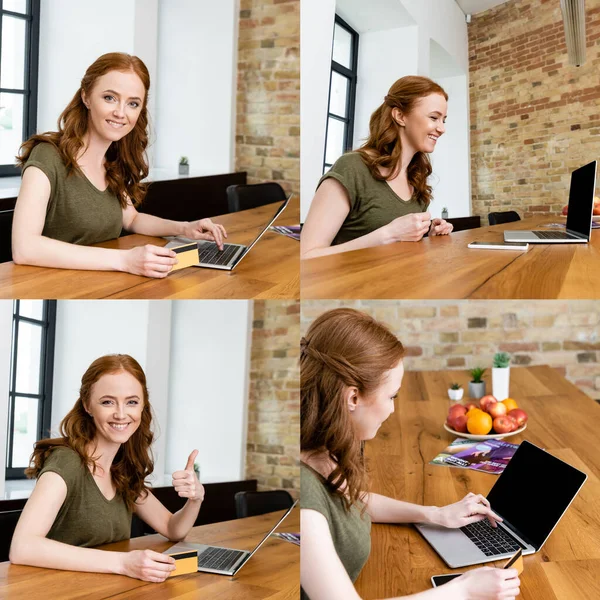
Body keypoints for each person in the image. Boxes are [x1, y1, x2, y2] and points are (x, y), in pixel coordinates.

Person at [300, 308, 521, 600]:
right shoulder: (303, 500)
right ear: (352, 397)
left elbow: (351, 500)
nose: (393, 409)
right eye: (391, 396)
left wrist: (433, 514)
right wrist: (463, 591)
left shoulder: (323, 444)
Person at [12, 52, 227, 278]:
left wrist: (184, 228)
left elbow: (132, 219)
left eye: (133, 103)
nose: (120, 113)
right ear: (86, 97)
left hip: (102, 282)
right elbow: (25, 248)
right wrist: (125, 260)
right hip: (52, 284)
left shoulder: (112, 161)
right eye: (109, 98)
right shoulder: (47, 155)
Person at [9, 354, 204, 583]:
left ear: (143, 406)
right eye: (107, 402)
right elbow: (22, 547)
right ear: (87, 405)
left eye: (131, 402)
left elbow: (173, 529)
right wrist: (123, 563)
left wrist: (195, 499)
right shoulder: (66, 462)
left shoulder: (121, 468)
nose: (121, 414)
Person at [301, 76, 454, 259]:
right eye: (434, 117)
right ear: (400, 116)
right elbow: (307, 256)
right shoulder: (352, 168)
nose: (442, 128)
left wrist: (428, 236)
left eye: (443, 120)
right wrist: (389, 234)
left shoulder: (415, 177)